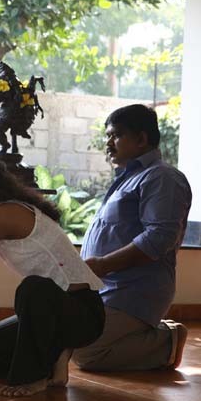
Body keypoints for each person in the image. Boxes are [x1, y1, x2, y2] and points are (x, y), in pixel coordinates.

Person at [0, 155, 105, 397]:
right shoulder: (1, 211)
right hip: (51, 313)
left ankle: (33, 377)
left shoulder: (4, 215)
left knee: (33, 288)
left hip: (83, 315)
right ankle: (53, 356)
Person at [73, 104, 192, 371]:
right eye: (108, 136)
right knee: (57, 334)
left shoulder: (162, 178)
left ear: (141, 138)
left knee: (86, 353)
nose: (108, 143)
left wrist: (102, 264)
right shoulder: (127, 179)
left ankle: (166, 340)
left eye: (115, 135)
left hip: (134, 292)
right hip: (103, 290)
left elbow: (159, 238)